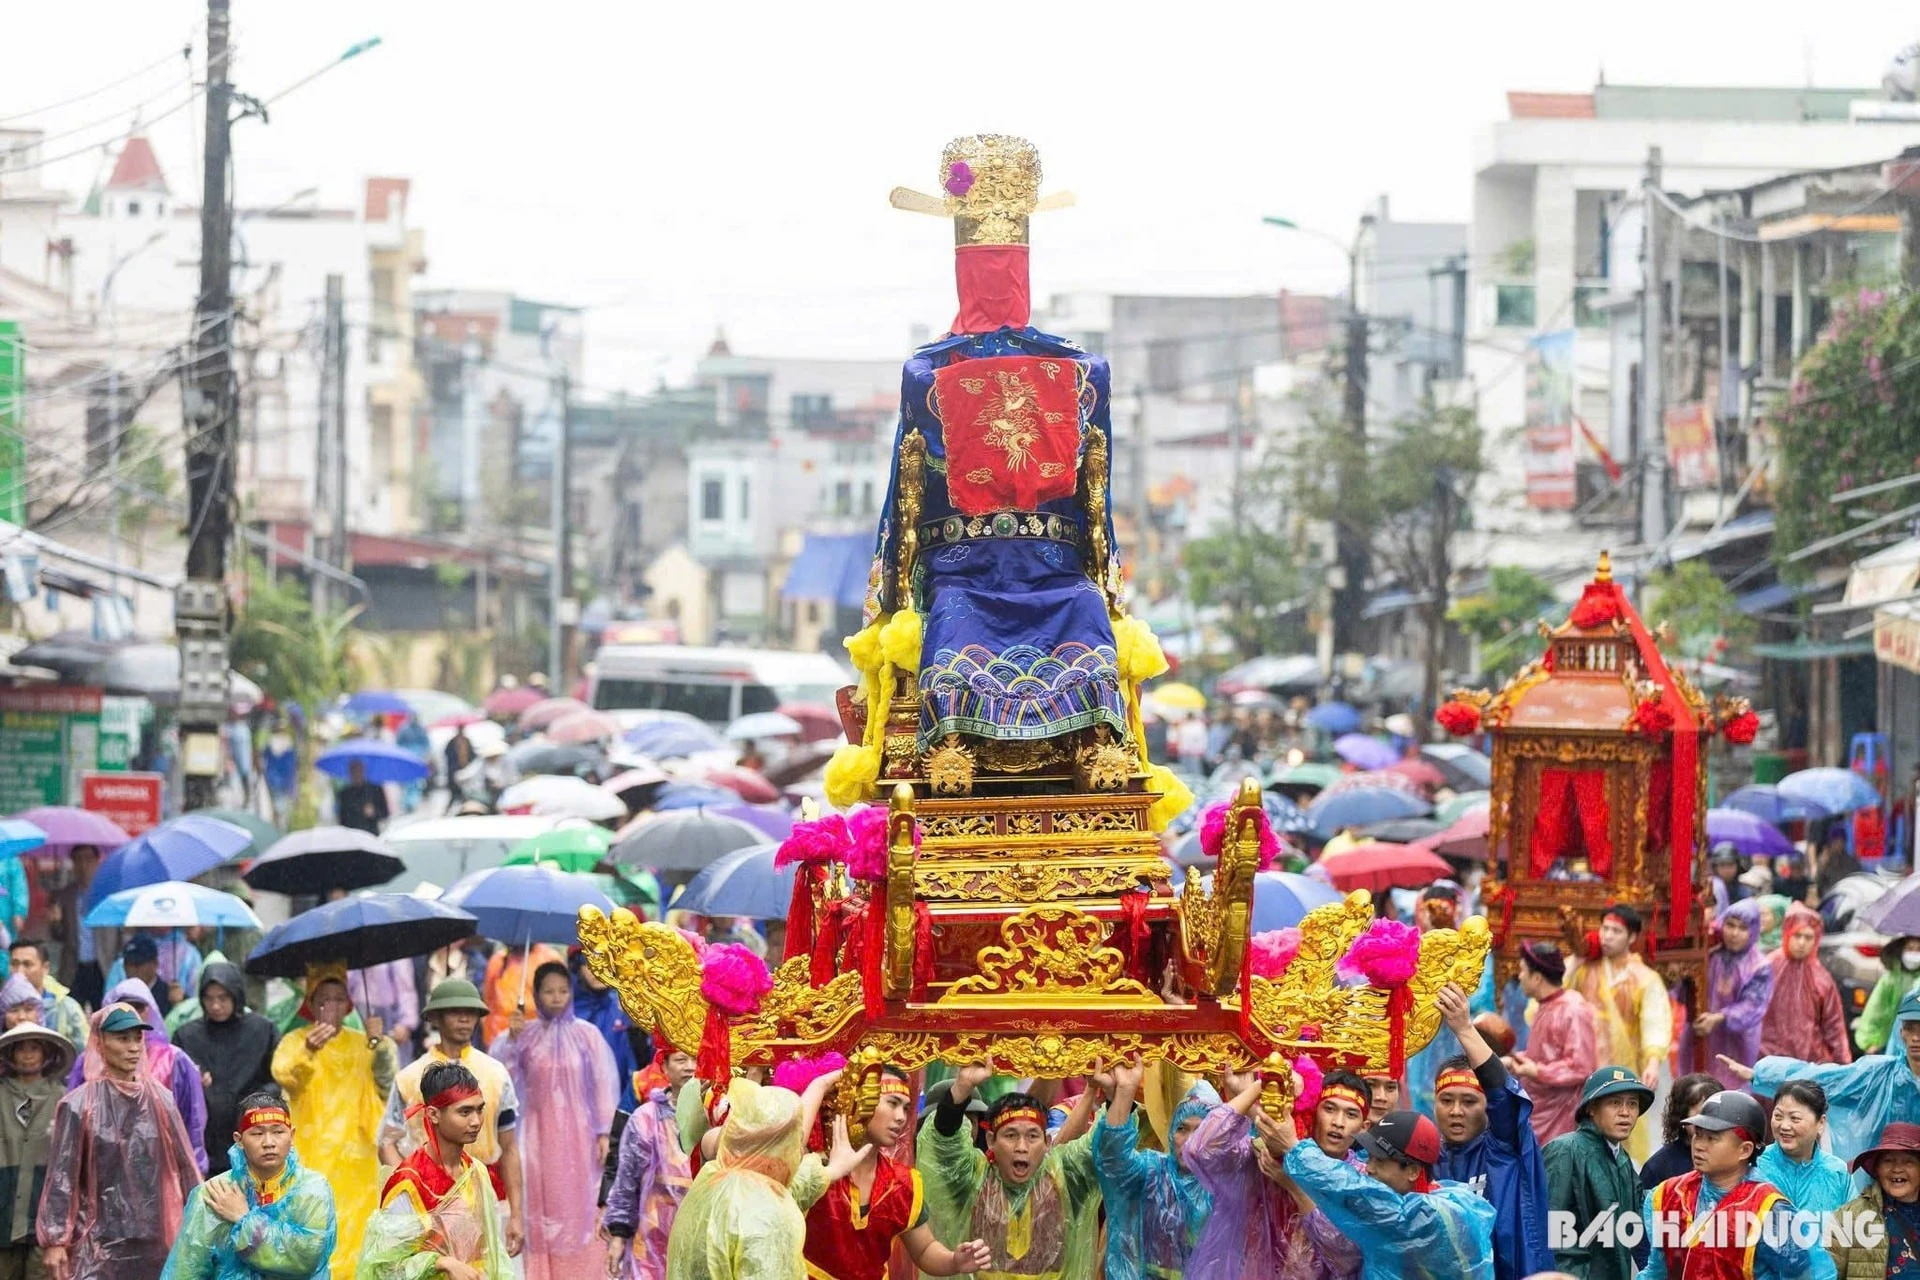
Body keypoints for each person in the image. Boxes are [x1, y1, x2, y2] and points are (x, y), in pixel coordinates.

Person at [36, 1004, 203, 1280]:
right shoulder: (78, 1105)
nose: (133, 1047)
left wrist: (201, 1223)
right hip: (96, 1239)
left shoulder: (161, 1100)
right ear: (100, 1042)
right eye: (122, 1039)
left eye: (137, 1038)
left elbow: (186, 1168)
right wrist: (55, 1241)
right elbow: (61, 1178)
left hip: (156, 1236)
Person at [797, 1067, 991, 1280]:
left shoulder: (901, 1182)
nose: (901, 1117)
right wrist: (821, 1085)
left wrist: (955, 1260)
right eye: (892, 1103)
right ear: (859, 1100)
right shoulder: (812, 1168)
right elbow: (791, 1145)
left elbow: (925, 1249)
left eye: (906, 1108)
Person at [379, 980, 525, 1260]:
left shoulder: (496, 1074)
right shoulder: (410, 1077)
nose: (464, 1018)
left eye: (471, 1012)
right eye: (454, 1011)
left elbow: (509, 1148)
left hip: (485, 1193)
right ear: (434, 1017)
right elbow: (387, 1141)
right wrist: (411, 1188)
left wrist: (517, 1214)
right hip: (427, 1198)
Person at [665, 1071, 862, 1280]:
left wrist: (829, 1171)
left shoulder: (713, 1178)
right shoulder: (766, 1217)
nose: (799, 1150)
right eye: (795, 1142)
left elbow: (779, 1191)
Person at [916, 1064, 1103, 1280]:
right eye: (1011, 1135)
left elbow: (1106, 1144)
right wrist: (963, 1086)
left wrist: (1116, 1092)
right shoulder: (972, 1179)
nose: (1021, 1147)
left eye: (1033, 1136)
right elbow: (944, 1143)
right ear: (990, 1141)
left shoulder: (1066, 1180)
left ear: (1047, 1142)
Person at [271, 964, 397, 1280]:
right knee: (311, 1233)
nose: (331, 1006)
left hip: (356, 1159)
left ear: (349, 1004)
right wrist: (308, 1052)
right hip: (310, 1155)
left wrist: (379, 1043)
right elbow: (284, 1075)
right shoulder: (295, 1040)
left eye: (339, 999)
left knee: (356, 1237)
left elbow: (387, 1084)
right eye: (323, 999)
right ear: (311, 1005)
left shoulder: (363, 1042)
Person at [491, 963, 616, 1280]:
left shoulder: (588, 1036)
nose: (557, 997)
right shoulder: (526, 1036)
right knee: (542, 1204)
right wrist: (511, 1041)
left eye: (563, 990)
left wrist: (604, 1133)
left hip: (581, 1138)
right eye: (549, 991)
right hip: (536, 1138)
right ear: (536, 994)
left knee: (582, 1204)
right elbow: (502, 1081)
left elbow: (603, 1083)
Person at [1272, 1107, 1496, 1280]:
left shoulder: (1426, 1218)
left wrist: (1294, 1147)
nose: (1368, 1168)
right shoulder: (1441, 1195)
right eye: (1368, 1157)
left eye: (1379, 1160)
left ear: (1412, 1171)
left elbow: (1355, 1191)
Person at [1186, 1065, 1368, 1279]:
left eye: (1351, 1114)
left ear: (1363, 1127)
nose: (1338, 1122)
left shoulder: (1361, 1179)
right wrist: (1258, 1087)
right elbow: (1201, 1148)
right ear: (1314, 1111)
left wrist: (1294, 1186)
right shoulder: (1265, 1157)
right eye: (1329, 1109)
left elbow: (1346, 1256)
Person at [1428, 982, 1554, 1280]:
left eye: (1469, 1101)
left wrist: (1464, 1029)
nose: (1456, 1111)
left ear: (1489, 1107)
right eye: (1446, 1100)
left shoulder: (1505, 1149)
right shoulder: (1423, 1158)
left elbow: (1502, 1093)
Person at [158, 1092, 336, 1280]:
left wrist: (244, 1219)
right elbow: (186, 1269)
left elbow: (305, 1259)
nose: (269, 1143)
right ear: (239, 1140)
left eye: (278, 1132)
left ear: (291, 1135)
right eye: (257, 1133)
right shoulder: (215, 1194)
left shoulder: (312, 1190)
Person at [360, 1062, 512, 1280]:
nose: (476, 1121)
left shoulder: (475, 1171)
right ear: (433, 1115)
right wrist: (441, 1263)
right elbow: (384, 1268)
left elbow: (492, 1252)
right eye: (464, 1112)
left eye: (479, 1109)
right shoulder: (409, 1183)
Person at [1638, 1090, 1810, 1280]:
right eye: (1698, 1134)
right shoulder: (1670, 1194)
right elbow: (1657, 1271)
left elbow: (1802, 1273)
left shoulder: (1768, 1209)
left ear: (1745, 1150)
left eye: (1712, 1138)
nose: (1699, 1145)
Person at [1737, 988, 1920, 1165]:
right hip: (1888, 1179)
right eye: (1910, 1028)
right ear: (1901, 1032)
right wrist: (1762, 1075)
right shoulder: (1880, 1075)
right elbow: (1827, 1080)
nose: (1915, 1037)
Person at [1089, 1055, 1214, 1280]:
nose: (1190, 1140)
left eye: (1201, 1130)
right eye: (1182, 1129)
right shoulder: (1153, 1172)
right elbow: (1113, 1160)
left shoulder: (1229, 1183)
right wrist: (1126, 1091)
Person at [69, 978, 209, 1175]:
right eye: (122, 1005)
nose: (131, 1011)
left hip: (162, 1171)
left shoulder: (175, 1059)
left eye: (138, 1006)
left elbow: (192, 1121)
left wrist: (195, 1170)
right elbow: (73, 1129)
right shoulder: (87, 1061)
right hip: (101, 1171)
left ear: (150, 1009)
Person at [1566, 904, 1672, 1161]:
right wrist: (1577, 960)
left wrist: (1653, 1061)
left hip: (1623, 1068)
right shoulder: (1583, 968)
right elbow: (1553, 997)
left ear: (1632, 937)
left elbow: (1654, 1019)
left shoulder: (1644, 978)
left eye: (1616, 930)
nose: (1607, 936)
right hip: (1582, 1067)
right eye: (1604, 929)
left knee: (1622, 1131)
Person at [1542, 1066, 1655, 1280]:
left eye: (1632, 1103)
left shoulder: (1621, 1157)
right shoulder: (1565, 1150)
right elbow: (1552, 1228)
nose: (1625, 1112)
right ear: (1592, 1108)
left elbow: (1641, 1208)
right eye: (1615, 1103)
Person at [173, 964, 278, 1178]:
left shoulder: (262, 1031)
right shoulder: (187, 1036)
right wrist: (194, 1083)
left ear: (236, 996)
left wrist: (254, 1103)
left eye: (222, 997)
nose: (215, 1005)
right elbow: (174, 1086)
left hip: (251, 1134)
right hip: (205, 1141)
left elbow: (277, 1078)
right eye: (209, 998)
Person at [603, 1048, 697, 1280]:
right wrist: (618, 1234)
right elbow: (627, 1179)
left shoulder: (718, 1114)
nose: (690, 1067)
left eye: (696, 1059)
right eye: (680, 1059)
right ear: (664, 1066)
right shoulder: (645, 1118)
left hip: (700, 1231)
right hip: (653, 1233)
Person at [1754, 1082, 1852, 1280]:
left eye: (1795, 1118)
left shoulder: (1836, 1172)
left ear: (1821, 1123)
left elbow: (1853, 1236)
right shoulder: (1755, 1167)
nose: (1784, 1126)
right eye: (1778, 1116)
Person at [0, 1025, 74, 1280]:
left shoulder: (63, 1099)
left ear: (47, 1054)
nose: (28, 1055)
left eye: (35, 1048)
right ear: (9, 1054)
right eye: (21, 1048)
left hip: (43, 1215)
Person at [1508, 941, 1596, 1145]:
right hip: (1537, 1108)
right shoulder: (1545, 1006)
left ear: (1537, 977)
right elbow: (1545, 1055)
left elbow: (1582, 1066)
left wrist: (1537, 1071)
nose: (1519, 976)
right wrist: (1518, 1060)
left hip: (1561, 1115)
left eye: (1522, 971)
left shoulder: (1573, 1009)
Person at [1761, 904, 1852, 1067]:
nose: (1802, 943)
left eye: (1808, 937)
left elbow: (1834, 1026)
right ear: (1787, 934)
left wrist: (1844, 1066)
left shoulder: (1821, 978)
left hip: (1809, 1064)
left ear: (1816, 939)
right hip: (1768, 1060)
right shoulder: (1767, 968)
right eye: (1797, 935)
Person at [1827, 1121, 1920, 1279]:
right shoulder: (1849, 1217)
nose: (1897, 1168)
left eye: (1908, 1161)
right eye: (1888, 1161)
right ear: (1876, 1169)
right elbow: (1825, 1274)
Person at [1701, 899, 1773, 1091]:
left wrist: (1720, 1017)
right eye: (1730, 925)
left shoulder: (1759, 965)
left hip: (1738, 1042)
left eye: (1742, 928)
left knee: (1731, 1096)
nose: (1734, 933)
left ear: (1754, 931)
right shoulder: (1710, 954)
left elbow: (1753, 1006)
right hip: (1703, 1036)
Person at [571, 954, 645, 1114]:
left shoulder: (625, 1007)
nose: (597, 971)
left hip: (618, 1100)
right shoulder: (567, 1009)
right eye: (589, 964)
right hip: (575, 1102)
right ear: (577, 968)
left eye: (604, 963)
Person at [1639, 1073, 1722, 1194]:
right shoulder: (1658, 1168)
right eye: (1701, 1114)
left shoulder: (1736, 1158)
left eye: (1715, 1114)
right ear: (1682, 1116)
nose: (1708, 1122)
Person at [6, 942, 85, 1051]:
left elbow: (86, 1055)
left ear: (46, 968)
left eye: (27, 964)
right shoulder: (3, 1006)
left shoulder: (67, 1007)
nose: (19, 972)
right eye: (14, 964)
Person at [1857, 935, 1920, 1055]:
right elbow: (1875, 1010)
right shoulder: (1890, 980)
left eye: (1918, 950)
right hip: (1889, 1043)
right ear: (1901, 950)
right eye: (1910, 948)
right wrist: (1870, 1041)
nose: (1914, 954)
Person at [336, 761, 389, 836]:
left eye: (359, 770)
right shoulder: (344, 793)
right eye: (353, 771)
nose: (356, 774)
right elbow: (342, 818)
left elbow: (385, 813)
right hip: (351, 835)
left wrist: (374, 812)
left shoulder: (375, 790)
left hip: (370, 834)